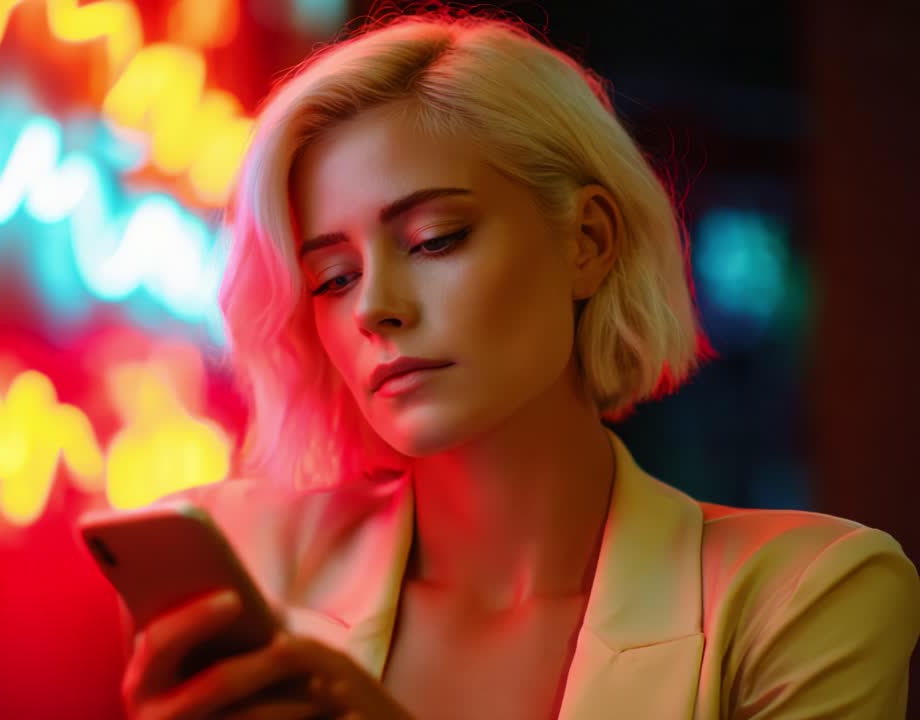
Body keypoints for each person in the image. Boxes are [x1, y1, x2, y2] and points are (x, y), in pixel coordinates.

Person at [111, 9, 920, 719]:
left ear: (588, 241)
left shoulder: (806, 594)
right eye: (332, 277)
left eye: (434, 239)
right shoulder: (246, 562)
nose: (373, 308)